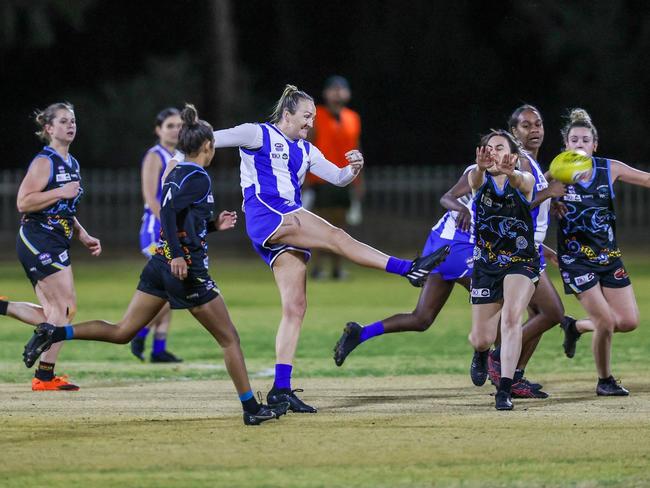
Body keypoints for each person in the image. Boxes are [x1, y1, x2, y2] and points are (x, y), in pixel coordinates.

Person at [22, 104, 288, 425]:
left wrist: (214, 225)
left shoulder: (175, 171)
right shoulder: (198, 177)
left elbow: (180, 220)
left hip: (159, 265)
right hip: (185, 269)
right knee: (229, 338)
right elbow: (168, 213)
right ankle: (251, 408)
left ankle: (54, 331)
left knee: (122, 332)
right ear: (208, 146)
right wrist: (179, 255)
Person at [210, 84, 449, 413]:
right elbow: (212, 139)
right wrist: (184, 143)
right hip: (270, 215)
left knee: (296, 308)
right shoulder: (257, 134)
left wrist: (354, 167)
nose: (311, 123)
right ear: (287, 114)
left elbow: (337, 178)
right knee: (337, 237)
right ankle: (408, 268)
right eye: (306, 117)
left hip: (281, 225)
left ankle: (281, 389)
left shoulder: (306, 150)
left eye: (313, 117)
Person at [555, 108, 649, 396]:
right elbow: (530, 201)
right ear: (566, 146)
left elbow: (646, 179)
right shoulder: (557, 173)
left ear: (595, 145)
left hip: (608, 257)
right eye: (574, 140)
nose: (580, 144)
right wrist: (547, 197)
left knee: (628, 322)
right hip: (576, 261)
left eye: (586, 139)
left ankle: (576, 327)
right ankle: (604, 380)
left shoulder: (610, 168)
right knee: (606, 322)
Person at [10, 102, 102, 391]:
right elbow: (23, 202)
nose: (70, 125)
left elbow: (64, 208)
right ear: (49, 128)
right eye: (63, 121)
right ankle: (44, 377)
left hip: (57, 238)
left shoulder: (71, 163)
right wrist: (60, 190)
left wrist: (82, 234)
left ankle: (44, 374)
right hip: (38, 238)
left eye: (72, 120)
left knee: (59, 311)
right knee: (63, 309)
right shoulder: (44, 161)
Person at [484, 105, 571, 398]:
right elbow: (508, 206)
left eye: (538, 124)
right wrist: (548, 194)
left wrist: (549, 201)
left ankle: (515, 375)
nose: (534, 130)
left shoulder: (532, 163)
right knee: (552, 312)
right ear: (513, 133)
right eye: (526, 125)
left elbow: (532, 203)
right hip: (516, 253)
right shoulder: (518, 161)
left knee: (539, 312)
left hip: (528, 248)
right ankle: (497, 359)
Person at [467, 130, 539, 411]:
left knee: (511, 318)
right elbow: (473, 179)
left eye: (500, 147)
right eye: (489, 147)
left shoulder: (525, 180)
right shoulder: (478, 179)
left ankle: (504, 390)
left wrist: (512, 174)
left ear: (513, 154)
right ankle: (481, 352)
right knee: (481, 337)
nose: (494, 151)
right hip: (486, 264)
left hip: (521, 261)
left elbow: (522, 181)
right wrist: (478, 167)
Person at [131, 107, 184, 363]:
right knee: (168, 286)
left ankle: (158, 348)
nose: (176, 130)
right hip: (155, 229)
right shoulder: (156, 156)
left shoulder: (182, 156)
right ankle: (140, 334)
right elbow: (151, 197)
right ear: (158, 130)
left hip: (171, 228)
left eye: (179, 125)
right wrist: (168, 224)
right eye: (170, 126)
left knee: (169, 288)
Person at [303, 75, 363, 280]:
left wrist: (358, 180)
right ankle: (318, 267)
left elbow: (356, 147)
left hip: (345, 176)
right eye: (333, 89)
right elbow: (307, 145)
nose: (337, 93)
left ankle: (337, 268)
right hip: (320, 178)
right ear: (326, 93)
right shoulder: (316, 114)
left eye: (341, 89)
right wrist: (304, 178)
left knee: (341, 225)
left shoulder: (352, 117)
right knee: (320, 224)